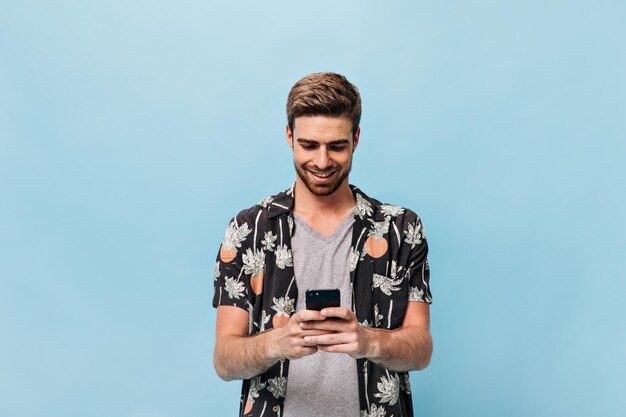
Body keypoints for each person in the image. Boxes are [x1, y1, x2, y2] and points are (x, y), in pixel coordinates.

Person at [212, 72, 433, 417]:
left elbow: (420, 349)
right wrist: (276, 343)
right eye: (309, 145)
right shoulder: (249, 228)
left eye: (337, 146)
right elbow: (225, 360)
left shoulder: (401, 229)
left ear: (356, 139)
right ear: (289, 136)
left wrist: (368, 341)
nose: (322, 162)